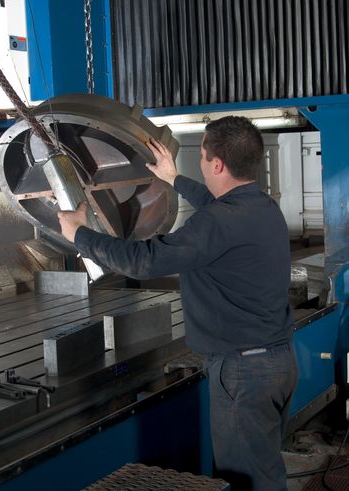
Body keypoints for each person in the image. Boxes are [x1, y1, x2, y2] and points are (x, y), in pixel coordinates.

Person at [58, 116, 298, 491]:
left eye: (202, 155)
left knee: (246, 480)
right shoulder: (260, 207)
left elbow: (144, 261)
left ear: (216, 165)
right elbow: (215, 206)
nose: (200, 162)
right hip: (277, 363)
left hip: (241, 373)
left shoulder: (218, 223)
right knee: (265, 470)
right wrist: (173, 179)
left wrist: (79, 234)